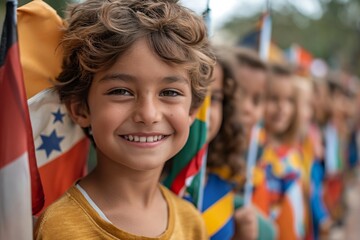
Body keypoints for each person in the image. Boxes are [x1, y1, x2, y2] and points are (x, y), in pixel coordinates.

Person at [34, 0, 215, 239]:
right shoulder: (59, 228)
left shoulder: (191, 221)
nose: (148, 115)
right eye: (121, 91)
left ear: (192, 111)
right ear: (80, 109)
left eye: (169, 93)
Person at [252, 64, 307, 240]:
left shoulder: (294, 153)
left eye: (289, 100)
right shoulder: (253, 146)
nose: (282, 107)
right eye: (274, 99)